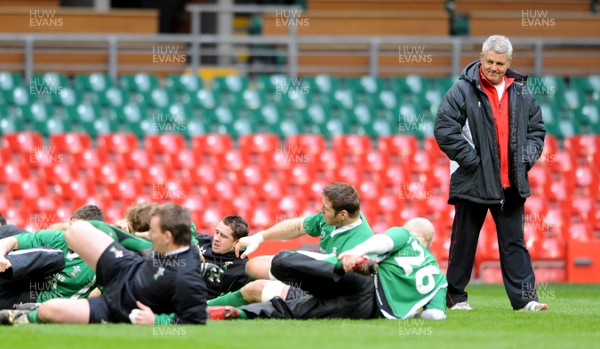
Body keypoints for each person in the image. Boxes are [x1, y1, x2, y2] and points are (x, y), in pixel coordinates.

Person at [433, 35, 547, 311]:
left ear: (509, 63)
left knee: (514, 244)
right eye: (489, 61)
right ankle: (455, 297)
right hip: (473, 180)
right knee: (464, 243)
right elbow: (444, 129)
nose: (493, 67)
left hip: (511, 182)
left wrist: (525, 159)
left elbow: (536, 131)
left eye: (499, 63)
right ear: (481, 57)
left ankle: (526, 301)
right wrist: (474, 163)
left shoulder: (521, 93)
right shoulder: (462, 90)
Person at [0, 203, 207, 325]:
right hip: (125, 267)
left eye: (152, 232)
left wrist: (156, 322)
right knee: (76, 231)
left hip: (120, 307)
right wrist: (136, 239)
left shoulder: (187, 276)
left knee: (49, 310)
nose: (148, 235)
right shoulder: (161, 242)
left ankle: (18, 318)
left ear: (168, 236)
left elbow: (195, 319)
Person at [207, 218, 447, 321]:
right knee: (266, 295)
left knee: (268, 272)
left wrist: (355, 254)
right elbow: (435, 314)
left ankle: (206, 308)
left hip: (353, 281)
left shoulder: (398, 236)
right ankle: (232, 312)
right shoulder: (438, 277)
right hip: (370, 308)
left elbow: (383, 242)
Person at [208, 182, 374, 308]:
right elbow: (297, 226)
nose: (321, 210)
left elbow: (343, 285)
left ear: (343, 214)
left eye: (326, 209)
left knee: (256, 289)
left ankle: (206, 307)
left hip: (332, 294)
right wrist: (259, 237)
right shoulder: (330, 219)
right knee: (254, 266)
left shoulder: (359, 244)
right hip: (316, 275)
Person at [0, 205, 106, 310]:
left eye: (77, 229)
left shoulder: (100, 261)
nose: (71, 232)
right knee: (10, 230)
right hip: (23, 285)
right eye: (70, 226)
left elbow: (112, 293)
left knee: (57, 256)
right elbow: (12, 241)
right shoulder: (58, 237)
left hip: (40, 303)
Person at [196, 215, 252, 299]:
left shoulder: (242, 268)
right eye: (217, 232)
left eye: (223, 236)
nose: (216, 238)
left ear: (236, 242)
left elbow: (241, 301)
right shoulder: (202, 241)